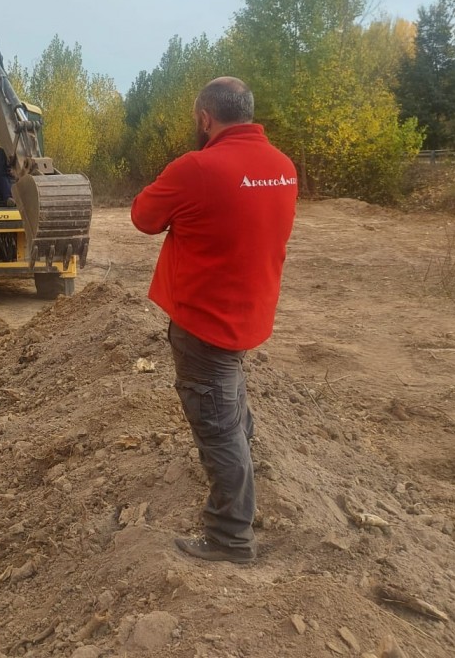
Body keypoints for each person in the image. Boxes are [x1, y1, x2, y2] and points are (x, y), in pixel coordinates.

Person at [130, 76, 297, 564]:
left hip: (204, 320)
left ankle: (230, 537)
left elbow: (143, 216)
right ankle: (240, 489)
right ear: (248, 111)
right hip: (248, 312)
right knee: (231, 409)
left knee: (217, 425)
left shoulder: (197, 168)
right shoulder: (283, 167)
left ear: (205, 118)